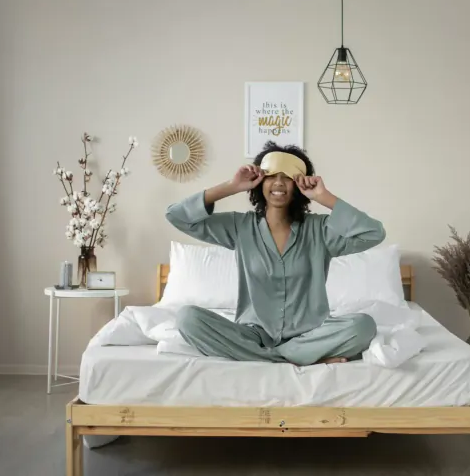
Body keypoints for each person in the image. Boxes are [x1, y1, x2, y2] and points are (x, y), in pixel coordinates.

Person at [165, 142, 385, 366]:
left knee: (363, 326)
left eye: (288, 177)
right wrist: (232, 186)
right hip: (253, 335)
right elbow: (177, 216)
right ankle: (300, 359)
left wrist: (324, 196)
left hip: (309, 336)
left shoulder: (320, 230)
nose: (279, 183)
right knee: (187, 318)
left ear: (299, 184)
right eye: (271, 176)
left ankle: (266, 357)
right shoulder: (240, 227)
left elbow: (374, 233)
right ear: (260, 181)